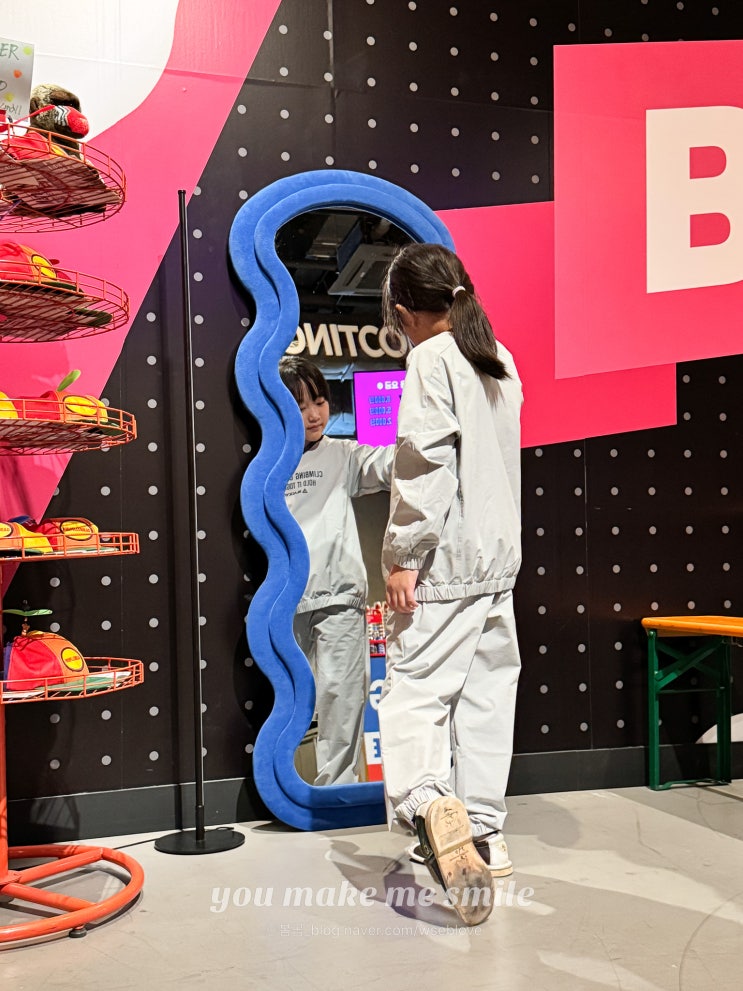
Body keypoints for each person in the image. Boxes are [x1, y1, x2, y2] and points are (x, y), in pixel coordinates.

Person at [377, 243, 523, 926]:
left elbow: (425, 460)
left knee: (414, 692)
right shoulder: (498, 358)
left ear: (404, 311)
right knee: (487, 696)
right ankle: (484, 833)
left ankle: (428, 805)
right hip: (497, 560)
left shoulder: (431, 359)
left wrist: (404, 554)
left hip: (445, 562)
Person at [279, 356, 394, 786]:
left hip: (340, 601)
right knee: (287, 706)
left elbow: (389, 464)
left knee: (342, 703)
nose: (313, 414)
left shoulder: (343, 455)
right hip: (284, 604)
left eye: (320, 401)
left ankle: (337, 794)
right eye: (300, 405)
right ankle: (287, 792)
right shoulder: (266, 461)